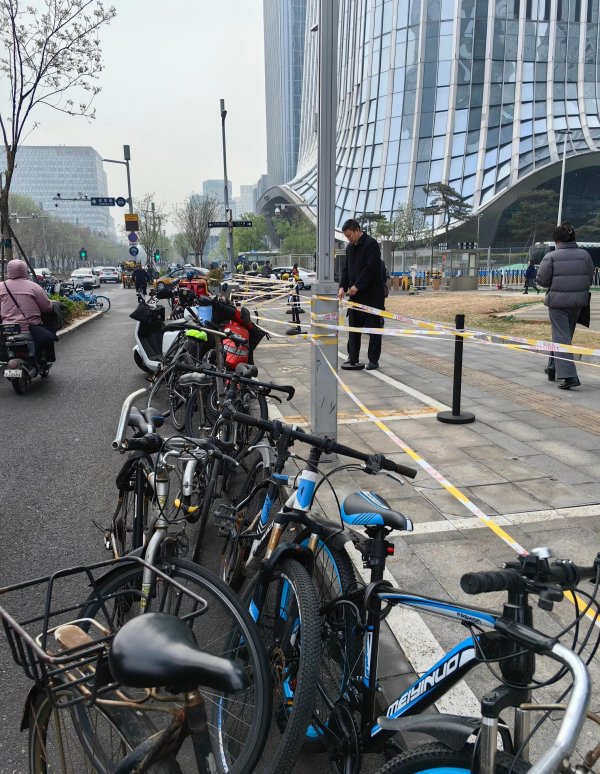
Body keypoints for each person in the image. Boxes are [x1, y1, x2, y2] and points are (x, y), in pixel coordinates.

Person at [536, 222, 594, 390]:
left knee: (561, 338)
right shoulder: (585, 255)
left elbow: (543, 280)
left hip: (558, 303)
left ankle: (569, 376)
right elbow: (589, 278)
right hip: (578, 303)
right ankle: (553, 368)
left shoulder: (551, 256)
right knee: (564, 336)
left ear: (557, 240)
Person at [337, 218, 385, 370]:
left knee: (374, 329)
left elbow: (370, 269)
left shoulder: (371, 244)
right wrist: (342, 287)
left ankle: (373, 359)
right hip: (355, 296)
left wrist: (357, 285)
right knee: (354, 327)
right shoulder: (350, 248)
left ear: (357, 230)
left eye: (350, 235)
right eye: (346, 237)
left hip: (372, 296)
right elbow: (346, 270)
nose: (348, 239)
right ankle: (353, 356)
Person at [0, 258, 55, 362]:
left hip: (6, 330)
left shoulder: (1, 287)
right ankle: (44, 358)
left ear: (8, 270)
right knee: (48, 334)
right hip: (30, 329)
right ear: (25, 270)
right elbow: (47, 308)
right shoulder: (35, 287)